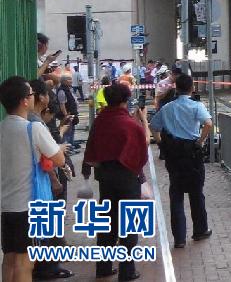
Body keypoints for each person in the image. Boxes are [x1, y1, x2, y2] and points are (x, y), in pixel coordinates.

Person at [0, 76, 67, 282]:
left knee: (9, 260)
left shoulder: (2, 128)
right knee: (25, 263)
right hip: (28, 207)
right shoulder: (33, 128)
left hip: (6, 206)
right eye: (30, 93)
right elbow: (59, 159)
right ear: (25, 101)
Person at [82, 83, 148, 280]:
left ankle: (103, 267)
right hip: (127, 178)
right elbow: (142, 144)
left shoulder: (100, 120)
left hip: (105, 177)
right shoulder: (129, 123)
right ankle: (127, 271)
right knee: (129, 224)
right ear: (125, 101)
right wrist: (143, 119)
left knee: (106, 223)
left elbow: (91, 146)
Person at [149, 75, 212, 249]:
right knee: (196, 193)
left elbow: (153, 127)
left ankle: (179, 239)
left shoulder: (167, 108)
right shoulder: (197, 106)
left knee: (176, 194)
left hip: (173, 154)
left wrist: (162, 143)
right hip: (192, 152)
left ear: (176, 88)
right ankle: (200, 230)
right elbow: (208, 124)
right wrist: (200, 142)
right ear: (192, 88)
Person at [28, 79, 74, 281]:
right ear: (40, 97)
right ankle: (48, 267)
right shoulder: (35, 123)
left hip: (38, 185)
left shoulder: (30, 121)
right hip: (45, 182)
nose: (49, 97)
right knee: (50, 224)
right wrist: (55, 178)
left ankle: (48, 265)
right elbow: (49, 157)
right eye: (46, 93)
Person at [57, 74, 80, 149]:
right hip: (68, 115)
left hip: (72, 114)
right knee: (67, 133)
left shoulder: (69, 89)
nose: (71, 81)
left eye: (71, 79)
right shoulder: (62, 91)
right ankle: (66, 149)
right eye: (68, 79)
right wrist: (66, 116)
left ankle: (71, 147)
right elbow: (62, 105)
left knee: (71, 131)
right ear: (63, 81)